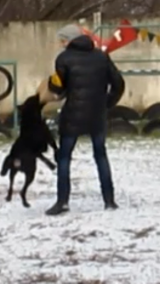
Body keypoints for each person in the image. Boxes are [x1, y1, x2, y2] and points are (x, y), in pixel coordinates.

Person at [44, 24, 125, 216]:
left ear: (69, 40)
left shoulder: (63, 59)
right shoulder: (101, 56)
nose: (61, 43)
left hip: (72, 115)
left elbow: (58, 90)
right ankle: (109, 200)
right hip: (97, 115)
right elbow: (118, 84)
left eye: (63, 40)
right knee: (100, 156)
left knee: (64, 158)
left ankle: (62, 202)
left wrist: (51, 85)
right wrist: (106, 104)